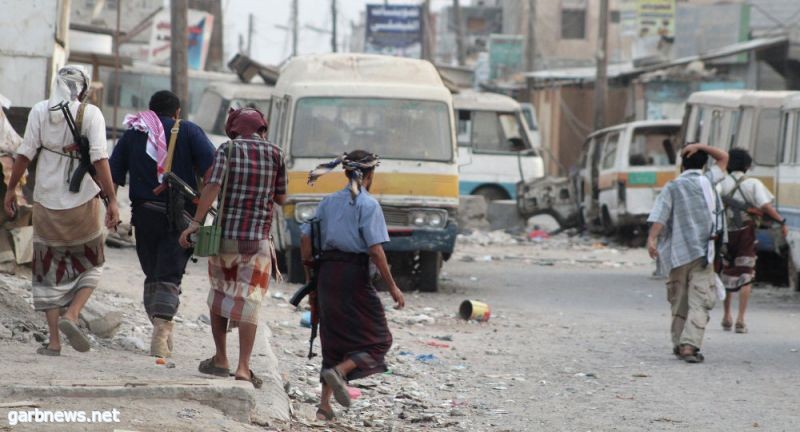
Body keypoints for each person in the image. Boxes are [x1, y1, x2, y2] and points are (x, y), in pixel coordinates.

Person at [3, 65, 120, 356]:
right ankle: (73, 313)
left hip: (46, 200)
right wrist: (113, 200)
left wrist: (10, 190)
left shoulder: (40, 111)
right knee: (92, 262)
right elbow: (100, 159)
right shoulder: (91, 114)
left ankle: (54, 342)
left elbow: (24, 154)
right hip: (83, 203)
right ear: (84, 88)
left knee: (47, 268)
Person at [178, 108, 286, 388]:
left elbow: (212, 187)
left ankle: (221, 358)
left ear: (235, 130)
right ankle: (243, 367)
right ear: (262, 129)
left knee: (220, 295)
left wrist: (195, 224)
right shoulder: (276, 153)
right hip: (259, 242)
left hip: (225, 240)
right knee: (250, 303)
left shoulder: (227, 150)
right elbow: (282, 197)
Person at [109, 90, 215, 358]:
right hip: (181, 217)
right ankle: (162, 327)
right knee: (170, 274)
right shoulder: (189, 131)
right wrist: (205, 200)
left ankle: (162, 327)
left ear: (150, 109)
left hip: (144, 215)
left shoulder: (134, 132)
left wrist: (110, 205)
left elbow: (114, 174)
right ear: (177, 112)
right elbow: (214, 170)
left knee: (154, 273)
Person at [301, 150, 405, 421]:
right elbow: (376, 251)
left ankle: (324, 407)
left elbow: (305, 242)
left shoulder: (327, 203)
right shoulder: (368, 205)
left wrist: (312, 283)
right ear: (369, 176)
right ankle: (341, 372)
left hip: (325, 274)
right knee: (379, 340)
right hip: (353, 276)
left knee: (332, 337)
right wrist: (392, 287)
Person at [647, 143, 728, 363]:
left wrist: (652, 240)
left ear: (682, 164)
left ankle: (678, 343)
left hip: (677, 255)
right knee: (700, 302)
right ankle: (689, 346)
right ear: (704, 163)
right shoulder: (709, 181)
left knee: (678, 301)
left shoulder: (672, 186)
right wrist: (700, 146)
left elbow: (660, 216)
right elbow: (723, 157)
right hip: (704, 254)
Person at [717, 148, 787, 334]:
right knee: (746, 273)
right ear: (747, 166)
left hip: (725, 232)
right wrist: (781, 221)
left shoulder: (720, 182)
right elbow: (765, 206)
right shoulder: (753, 183)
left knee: (727, 272)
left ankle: (726, 317)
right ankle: (740, 319)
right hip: (746, 233)